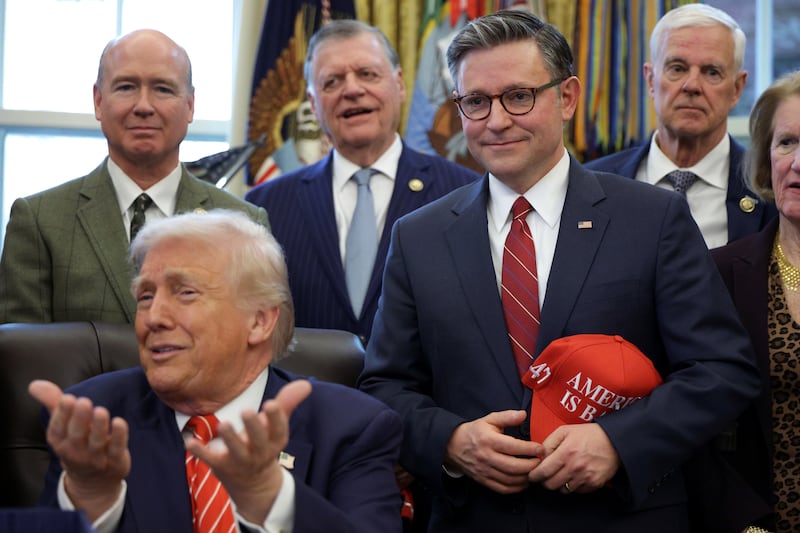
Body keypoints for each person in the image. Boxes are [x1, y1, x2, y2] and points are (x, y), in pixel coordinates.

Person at [357, 10, 760, 532]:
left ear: (566, 97)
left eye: (519, 96)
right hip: (474, 519)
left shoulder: (652, 218)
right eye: (475, 102)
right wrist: (451, 443)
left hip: (620, 518)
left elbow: (722, 371)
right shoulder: (419, 236)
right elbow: (385, 385)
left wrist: (619, 441)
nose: (497, 120)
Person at [29, 209, 403, 533]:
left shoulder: (352, 428)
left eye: (185, 293)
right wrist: (91, 499)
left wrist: (271, 498)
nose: (154, 317)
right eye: (145, 296)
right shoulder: (93, 418)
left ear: (259, 321)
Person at [0, 29, 268, 325]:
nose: (143, 106)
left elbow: (255, 349)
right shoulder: (40, 221)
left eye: (163, 89)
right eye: (126, 87)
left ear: (190, 105)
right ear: (99, 101)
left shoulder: (244, 224)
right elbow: (23, 358)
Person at [245, 19, 480, 346]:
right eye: (332, 82)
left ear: (399, 84)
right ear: (313, 105)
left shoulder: (466, 195)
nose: (352, 90)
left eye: (367, 74)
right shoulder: (264, 207)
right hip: (306, 396)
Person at [584, 3, 776, 248]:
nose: (692, 85)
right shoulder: (591, 185)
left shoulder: (771, 188)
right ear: (651, 81)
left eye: (712, 72)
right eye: (677, 68)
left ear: (737, 89)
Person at [709, 70, 800, 533]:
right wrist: (746, 525)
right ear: (767, 159)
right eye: (787, 143)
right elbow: (690, 422)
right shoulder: (720, 274)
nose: (798, 162)